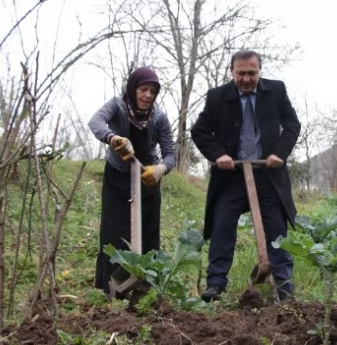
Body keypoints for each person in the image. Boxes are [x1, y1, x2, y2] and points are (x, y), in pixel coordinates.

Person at [190, 50, 301, 302]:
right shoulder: (217, 97)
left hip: (268, 173)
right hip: (232, 175)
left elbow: (292, 125)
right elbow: (200, 131)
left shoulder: (276, 91)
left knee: (276, 228)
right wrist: (218, 155)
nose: (247, 79)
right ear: (232, 72)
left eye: (252, 73)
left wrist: (279, 153)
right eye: (241, 73)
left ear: (259, 71)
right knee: (222, 225)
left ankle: (283, 288)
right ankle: (215, 285)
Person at [88, 66, 176, 296]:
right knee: (114, 232)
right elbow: (96, 122)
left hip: (147, 179)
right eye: (143, 89)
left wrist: (160, 169)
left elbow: (170, 153)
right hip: (117, 177)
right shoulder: (117, 106)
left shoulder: (159, 119)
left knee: (147, 233)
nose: (148, 95)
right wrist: (114, 138)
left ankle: (143, 288)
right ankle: (111, 288)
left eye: (153, 91)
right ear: (133, 88)